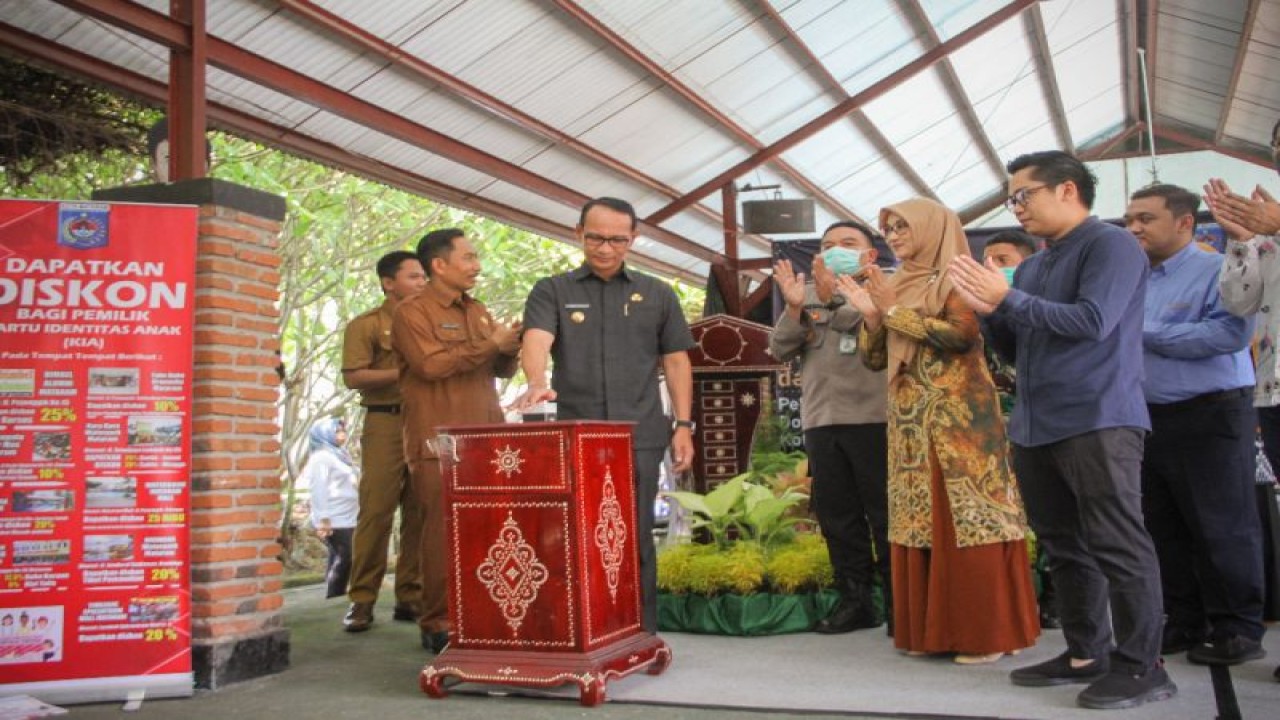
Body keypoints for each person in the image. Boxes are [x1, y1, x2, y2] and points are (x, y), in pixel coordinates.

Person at [949, 150, 1174, 710]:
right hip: (1037, 422)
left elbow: (1094, 322)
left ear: (1068, 190)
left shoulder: (1111, 245)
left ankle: (1143, 665)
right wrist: (990, 312)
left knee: (1117, 541)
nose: (1017, 208)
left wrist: (1009, 298)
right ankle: (1085, 653)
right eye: (1012, 199)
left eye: (1023, 195)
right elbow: (1018, 351)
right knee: (1063, 545)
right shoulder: (1033, 266)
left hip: (1099, 416)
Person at [835, 197, 1039, 665]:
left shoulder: (959, 274)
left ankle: (987, 634)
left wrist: (892, 313)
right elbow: (874, 359)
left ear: (932, 228)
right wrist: (873, 317)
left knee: (966, 520)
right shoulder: (898, 282)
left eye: (903, 227)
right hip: (910, 422)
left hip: (958, 421)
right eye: (889, 229)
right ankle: (936, 633)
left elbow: (961, 337)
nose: (894, 237)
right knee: (920, 521)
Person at [515, 197, 695, 633]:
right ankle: (583, 628)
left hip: (640, 433)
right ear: (578, 233)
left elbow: (676, 361)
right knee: (574, 531)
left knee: (635, 532)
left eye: (617, 240)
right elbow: (536, 339)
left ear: (633, 238)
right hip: (577, 432)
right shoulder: (552, 289)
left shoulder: (657, 293)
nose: (605, 248)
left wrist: (683, 426)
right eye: (595, 238)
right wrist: (537, 381)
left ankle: (640, 630)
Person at [1126, 183, 1267, 665]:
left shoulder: (1216, 269)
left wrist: (1144, 333)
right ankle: (1185, 620)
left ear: (1185, 222)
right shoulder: (1133, 278)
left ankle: (1237, 628)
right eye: (1130, 219)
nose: (1134, 228)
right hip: (1147, 417)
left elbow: (1229, 333)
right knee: (1163, 526)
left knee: (1222, 524)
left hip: (1210, 412)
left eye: (1146, 219)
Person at [392, 228, 521, 653]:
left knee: (487, 527)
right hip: (439, 439)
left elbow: (500, 371)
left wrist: (509, 346)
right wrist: (490, 344)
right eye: (468, 257)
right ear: (439, 265)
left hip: (486, 437)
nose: (477, 266)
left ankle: (483, 613)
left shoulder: (478, 310)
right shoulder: (412, 312)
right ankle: (439, 622)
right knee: (442, 531)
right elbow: (431, 366)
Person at [769, 221, 890, 634]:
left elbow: (856, 323)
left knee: (885, 515)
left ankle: (900, 602)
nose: (837, 250)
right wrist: (794, 309)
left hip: (875, 418)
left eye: (848, 243)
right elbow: (779, 348)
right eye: (828, 245)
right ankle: (856, 602)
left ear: (870, 255)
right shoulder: (805, 295)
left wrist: (830, 298)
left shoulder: (884, 288)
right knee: (838, 518)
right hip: (822, 421)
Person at [339, 251, 427, 633]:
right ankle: (362, 599)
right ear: (389, 283)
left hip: (426, 422)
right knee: (376, 511)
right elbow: (353, 376)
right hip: (385, 422)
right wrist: (404, 372)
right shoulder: (367, 325)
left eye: (424, 276)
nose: (423, 283)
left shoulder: (431, 323)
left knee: (421, 512)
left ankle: (411, 597)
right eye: (414, 277)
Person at [981, 231, 1059, 632]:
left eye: (1003, 259)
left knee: (1053, 515)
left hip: (1044, 421)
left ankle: (1056, 596)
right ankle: (1020, 595)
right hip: (990, 430)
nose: (993, 267)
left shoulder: (1043, 305)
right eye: (987, 260)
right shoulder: (980, 307)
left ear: (1027, 264)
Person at [301, 417, 359, 599]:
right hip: (334, 518)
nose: (342, 435)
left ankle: (333, 595)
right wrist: (323, 519)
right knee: (346, 556)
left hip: (347, 516)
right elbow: (318, 488)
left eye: (343, 431)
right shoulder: (321, 458)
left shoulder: (339, 454)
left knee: (338, 557)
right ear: (324, 434)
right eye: (337, 431)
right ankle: (335, 595)